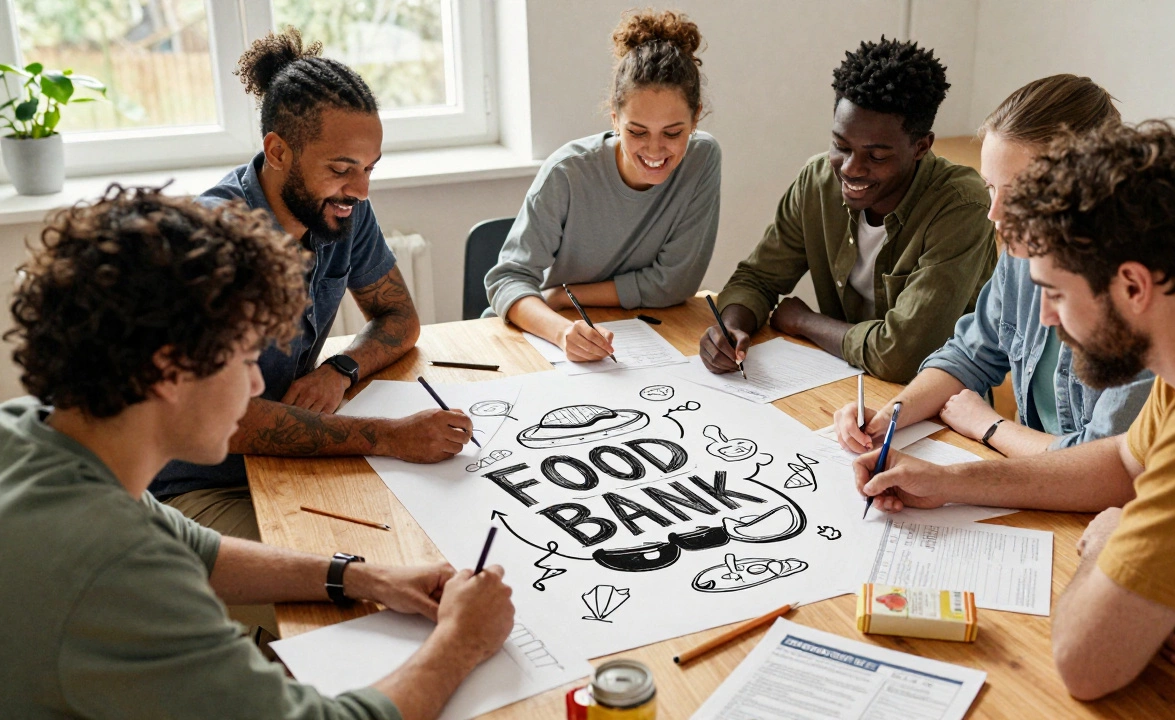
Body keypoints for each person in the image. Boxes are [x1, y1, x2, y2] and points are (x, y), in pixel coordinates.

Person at [0, 186, 516, 719]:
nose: (253, 385)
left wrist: (367, 576)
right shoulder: (121, 573)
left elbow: (196, 551)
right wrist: (462, 641)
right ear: (169, 370)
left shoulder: (26, 429)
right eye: (246, 358)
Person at [853, 121, 1175, 703]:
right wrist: (950, 481)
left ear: (1132, 286)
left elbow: (1084, 664)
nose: (1047, 319)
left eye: (1055, 293)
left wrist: (1115, 539)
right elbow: (1124, 465)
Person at [150, 28, 474, 541]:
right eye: (342, 169)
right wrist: (388, 437)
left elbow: (400, 319)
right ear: (277, 151)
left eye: (369, 168)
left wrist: (340, 370)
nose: (362, 190)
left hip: (290, 458)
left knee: (436, 527)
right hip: (194, 487)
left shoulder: (341, 210)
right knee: (365, 560)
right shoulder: (214, 243)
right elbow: (227, 420)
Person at [835, 75, 1153, 456]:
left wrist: (989, 425)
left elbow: (1102, 462)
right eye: (991, 187)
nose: (995, 214)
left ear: (1089, 189)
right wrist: (888, 418)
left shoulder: (1140, 297)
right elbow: (969, 355)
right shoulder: (1022, 255)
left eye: (1019, 194)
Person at [700, 37, 996, 383]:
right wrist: (732, 326)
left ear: (921, 146)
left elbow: (902, 356)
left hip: (936, 406)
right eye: (841, 145)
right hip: (841, 380)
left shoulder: (961, 207)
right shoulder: (819, 181)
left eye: (877, 156)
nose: (851, 168)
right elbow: (759, 278)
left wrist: (804, 322)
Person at [485, 9, 721, 361]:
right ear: (614, 117)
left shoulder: (703, 159)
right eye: (637, 132)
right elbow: (508, 280)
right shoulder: (566, 172)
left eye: (673, 133)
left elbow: (676, 284)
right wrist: (561, 328)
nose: (655, 150)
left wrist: (567, 294)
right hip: (540, 337)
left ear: (695, 117)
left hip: (632, 332)